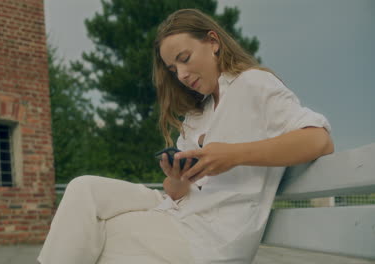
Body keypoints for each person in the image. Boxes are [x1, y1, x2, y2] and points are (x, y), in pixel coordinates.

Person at [38, 8, 334, 264]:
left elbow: (319, 140)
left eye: (185, 58)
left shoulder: (253, 84)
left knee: (94, 239)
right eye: (172, 68)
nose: (180, 74)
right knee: (84, 190)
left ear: (213, 42)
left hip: (209, 238)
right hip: (176, 212)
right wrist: (178, 179)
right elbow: (177, 192)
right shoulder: (197, 114)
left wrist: (232, 155)